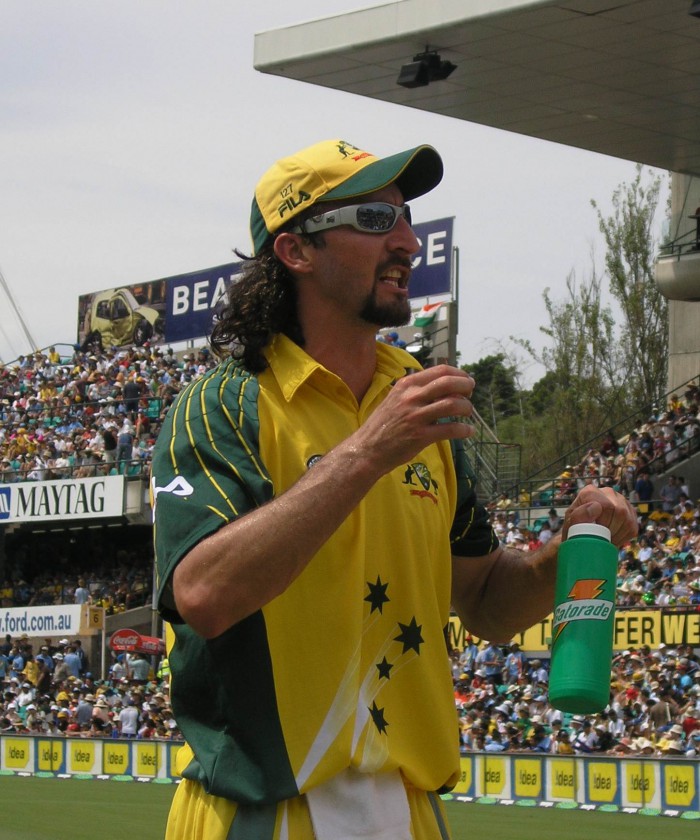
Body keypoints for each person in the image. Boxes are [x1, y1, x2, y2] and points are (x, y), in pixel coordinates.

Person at [151, 138, 637, 840]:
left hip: (408, 811)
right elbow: (204, 595)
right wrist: (368, 451)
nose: (409, 241)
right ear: (296, 252)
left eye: (405, 219)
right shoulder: (224, 404)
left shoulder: (418, 403)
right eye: (376, 221)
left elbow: (485, 602)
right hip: (262, 812)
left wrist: (571, 548)